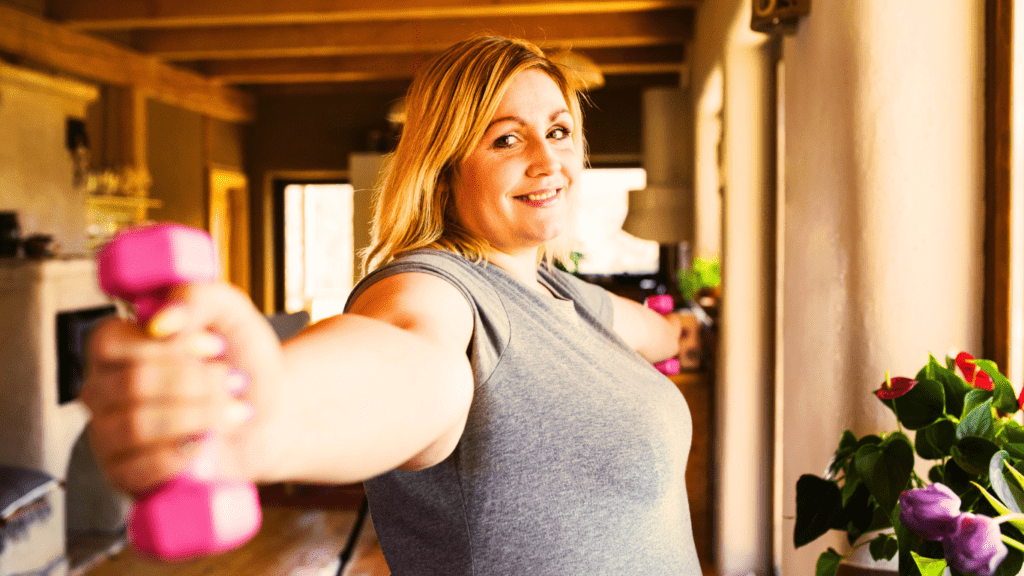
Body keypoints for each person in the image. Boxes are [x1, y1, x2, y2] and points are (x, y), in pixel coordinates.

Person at [82, 35, 700, 575]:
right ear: (445, 170)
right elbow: (412, 360)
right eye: (507, 139)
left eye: (560, 131)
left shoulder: (563, 292)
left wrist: (688, 327)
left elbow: (657, 332)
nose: (548, 160)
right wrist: (264, 410)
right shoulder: (436, 289)